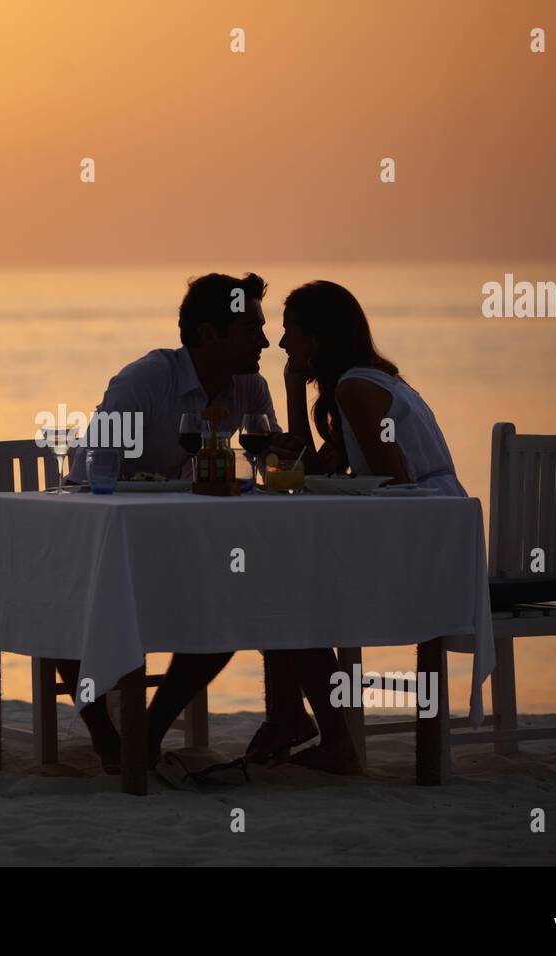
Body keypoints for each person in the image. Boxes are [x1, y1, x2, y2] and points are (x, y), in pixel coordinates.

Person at [61, 272, 281, 771]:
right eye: (251, 329)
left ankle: (147, 734)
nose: (265, 340)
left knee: (228, 609)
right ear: (209, 335)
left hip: (179, 548)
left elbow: (270, 468)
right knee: (61, 601)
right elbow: (92, 467)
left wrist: (270, 458)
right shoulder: (146, 381)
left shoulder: (250, 388)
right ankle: (107, 739)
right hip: (107, 543)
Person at [250, 279, 468, 774]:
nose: (283, 346)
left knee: (286, 597)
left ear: (318, 339)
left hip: (427, 543)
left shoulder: (355, 387)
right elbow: (317, 471)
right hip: (429, 529)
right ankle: (301, 724)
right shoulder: (360, 381)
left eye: (292, 334)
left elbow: (396, 481)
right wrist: (290, 388)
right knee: (283, 586)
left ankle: (329, 738)